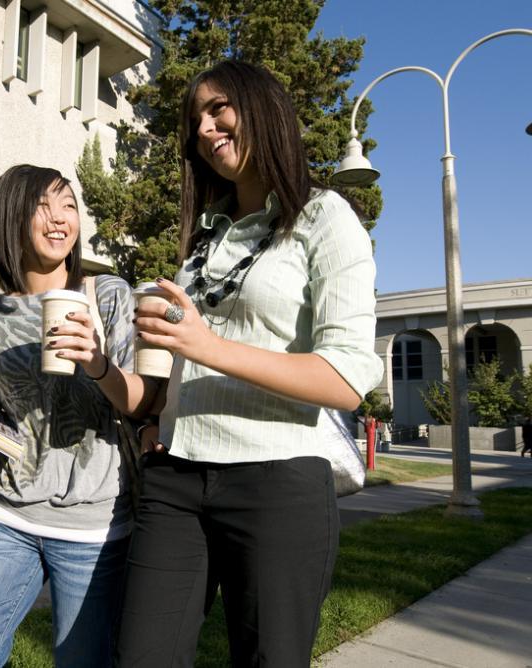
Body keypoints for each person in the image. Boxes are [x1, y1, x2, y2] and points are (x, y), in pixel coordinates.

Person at [115, 61, 384, 667]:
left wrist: (207, 347)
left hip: (277, 479)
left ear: (262, 108)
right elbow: (184, 362)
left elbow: (344, 379)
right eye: (196, 120)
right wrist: (160, 414)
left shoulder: (326, 218)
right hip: (176, 477)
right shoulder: (208, 239)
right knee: (140, 657)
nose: (205, 129)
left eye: (218, 110)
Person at [0, 164, 156, 668]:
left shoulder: (108, 295)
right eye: (43, 206)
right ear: (12, 217)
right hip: (7, 516)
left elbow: (141, 402)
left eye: (68, 205)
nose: (59, 218)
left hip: (94, 525)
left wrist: (96, 363)